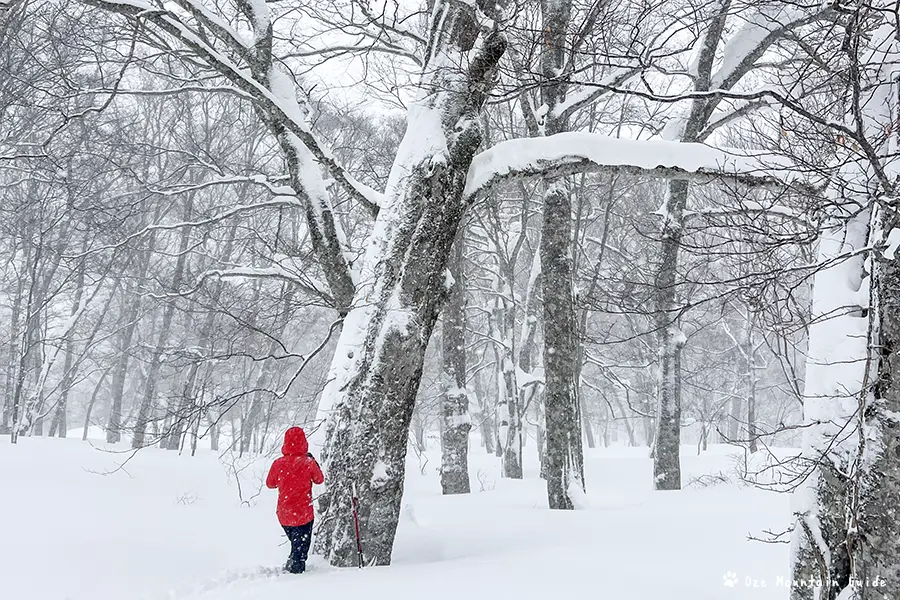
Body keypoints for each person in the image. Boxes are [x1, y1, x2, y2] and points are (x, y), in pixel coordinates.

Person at [266, 427, 325, 574]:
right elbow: (319, 479)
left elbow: (270, 484)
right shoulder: (308, 462)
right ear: (304, 442)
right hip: (303, 514)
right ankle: (295, 577)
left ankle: (292, 566)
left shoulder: (278, 463)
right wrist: (313, 462)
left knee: (296, 544)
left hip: (284, 514)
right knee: (301, 550)